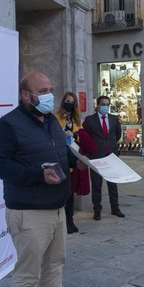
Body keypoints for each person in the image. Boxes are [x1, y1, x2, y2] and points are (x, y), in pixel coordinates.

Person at [0, 72, 89, 287]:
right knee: (28, 272)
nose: (49, 95)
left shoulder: (52, 122)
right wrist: (37, 175)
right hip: (29, 212)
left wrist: (78, 162)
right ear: (26, 95)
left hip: (57, 207)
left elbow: (61, 154)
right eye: (43, 90)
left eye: (51, 89)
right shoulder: (8, 125)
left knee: (55, 263)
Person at [57, 93, 96, 234]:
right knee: (64, 194)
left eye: (71, 102)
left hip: (73, 159)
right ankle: (64, 222)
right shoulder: (55, 118)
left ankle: (70, 220)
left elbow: (81, 138)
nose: (69, 104)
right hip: (61, 159)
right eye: (67, 101)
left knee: (71, 193)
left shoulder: (76, 121)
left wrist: (74, 135)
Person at [82, 96, 125, 220]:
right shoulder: (90, 120)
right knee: (96, 184)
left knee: (113, 183)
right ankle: (97, 209)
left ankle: (115, 207)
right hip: (96, 156)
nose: (105, 106)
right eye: (103, 104)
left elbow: (117, 134)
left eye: (107, 104)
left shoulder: (113, 119)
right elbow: (86, 136)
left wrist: (109, 145)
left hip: (111, 155)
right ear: (98, 105)